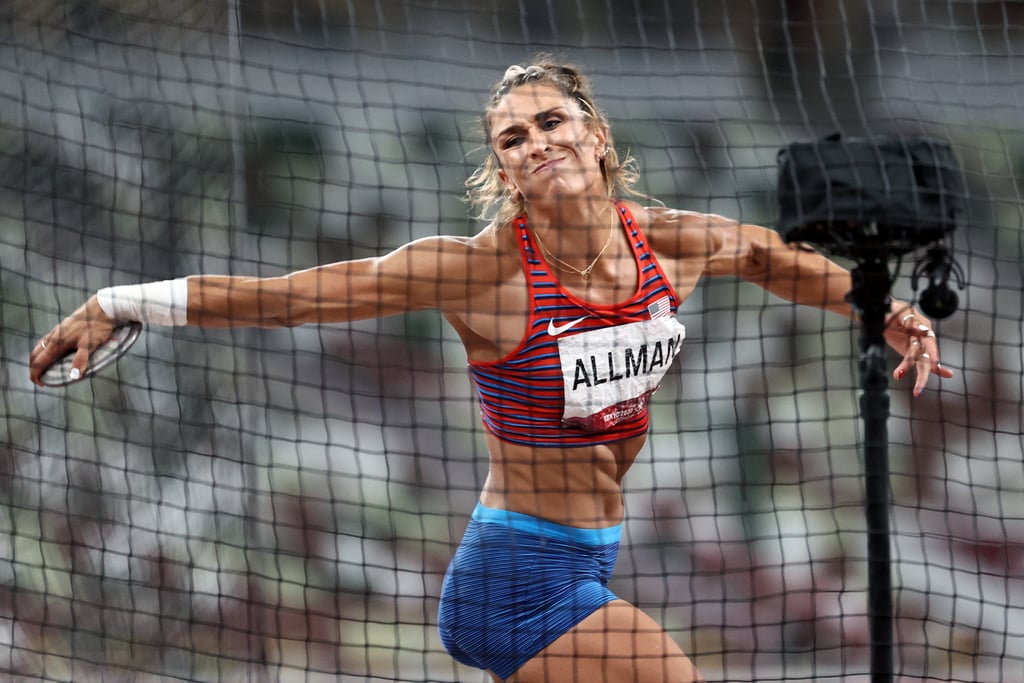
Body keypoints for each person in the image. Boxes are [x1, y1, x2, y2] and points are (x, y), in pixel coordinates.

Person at [29, 57, 953, 683]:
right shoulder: (478, 270)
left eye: (551, 120)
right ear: (503, 170)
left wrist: (879, 308)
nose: (535, 141)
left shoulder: (671, 244)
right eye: (512, 138)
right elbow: (296, 297)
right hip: (516, 579)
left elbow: (765, 253)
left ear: (596, 136)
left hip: (593, 554)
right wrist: (120, 302)